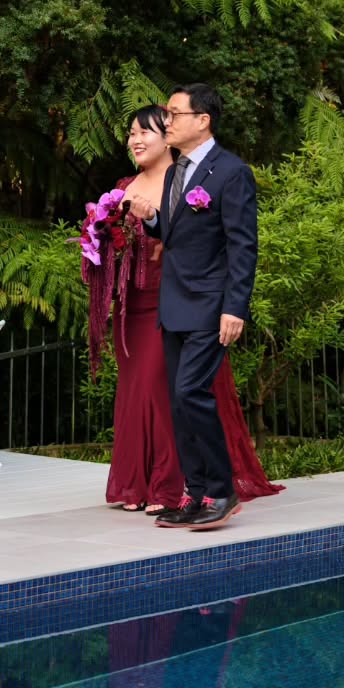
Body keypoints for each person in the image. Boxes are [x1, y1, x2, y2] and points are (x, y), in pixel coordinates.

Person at [95, 106, 281, 515]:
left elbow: (218, 244)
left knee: (171, 391)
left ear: (168, 137)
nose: (136, 140)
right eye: (131, 133)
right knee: (137, 392)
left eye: (146, 132)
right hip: (135, 303)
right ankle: (136, 483)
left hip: (180, 300)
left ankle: (173, 485)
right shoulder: (124, 186)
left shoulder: (187, 180)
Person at [129, 83, 259, 530]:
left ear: (202, 120)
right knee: (179, 401)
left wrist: (235, 307)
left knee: (191, 392)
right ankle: (195, 493)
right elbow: (173, 233)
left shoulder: (231, 172)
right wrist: (150, 219)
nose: (167, 120)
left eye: (175, 112)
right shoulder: (175, 172)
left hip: (210, 306)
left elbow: (243, 246)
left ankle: (223, 491)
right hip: (174, 305)